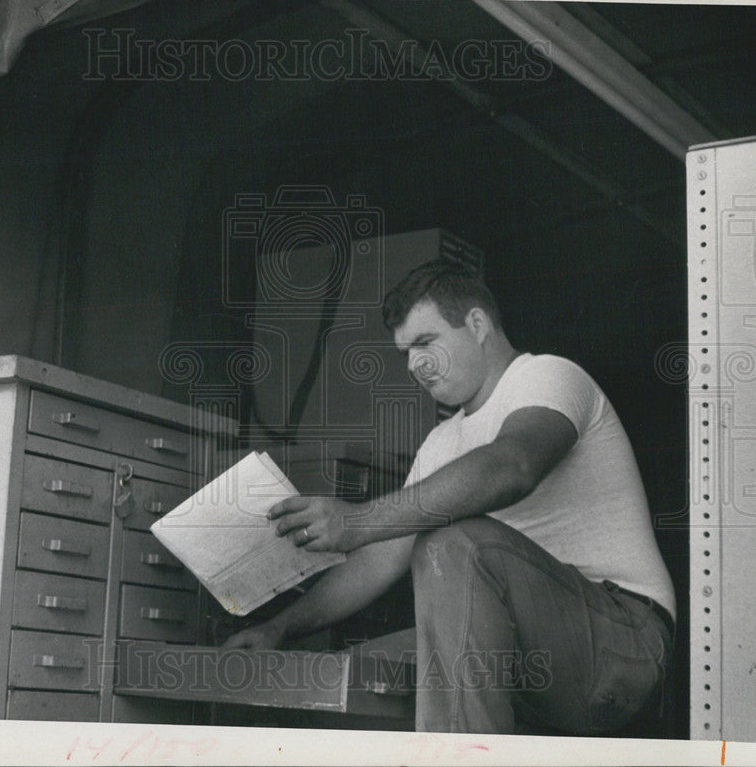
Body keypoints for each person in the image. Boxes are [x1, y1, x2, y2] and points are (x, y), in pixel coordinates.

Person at [223, 259, 675, 735]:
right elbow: (381, 558)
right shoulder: (443, 442)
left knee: (451, 540)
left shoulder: (547, 377)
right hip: (527, 646)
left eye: (425, 342)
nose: (415, 365)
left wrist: (356, 520)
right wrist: (280, 627)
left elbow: (513, 465)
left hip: (622, 643)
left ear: (477, 324)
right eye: (405, 353)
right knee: (337, 689)